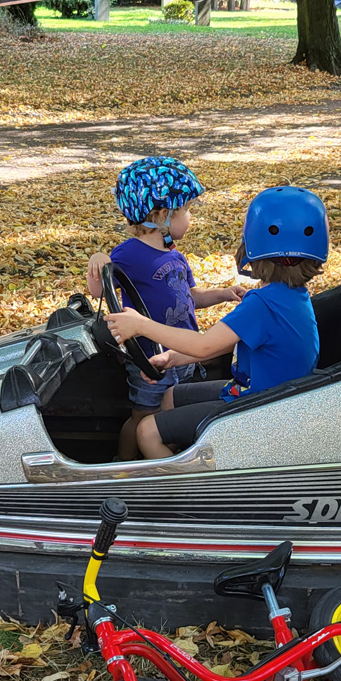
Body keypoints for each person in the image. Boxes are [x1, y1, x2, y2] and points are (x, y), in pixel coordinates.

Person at [104, 185, 328, 460]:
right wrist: (174, 358)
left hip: (259, 408)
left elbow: (204, 346)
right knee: (170, 397)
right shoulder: (289, 297)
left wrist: (140, 325)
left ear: (250, 248)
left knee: (147, 431)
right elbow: (227, 342)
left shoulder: (262, 304)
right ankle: (182, 458)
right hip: (265, 394)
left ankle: (191, 491)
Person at [86, 156, 246, 459]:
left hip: (182, 354)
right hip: (150, 360)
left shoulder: (176, 257)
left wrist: (224, 294)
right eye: (186, 210)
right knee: (142, 418)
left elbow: (192, 297)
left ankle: (166, 458)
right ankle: (124, 466)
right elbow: (101, 289)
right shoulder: (129, 253)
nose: (190, 217)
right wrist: (98, 259)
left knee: (168, 417)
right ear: (161, 214)